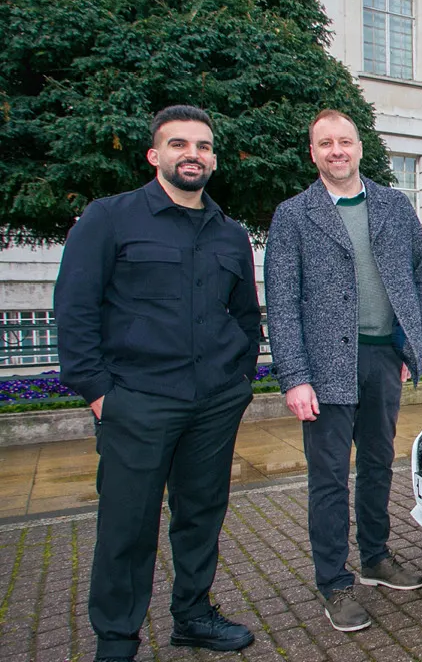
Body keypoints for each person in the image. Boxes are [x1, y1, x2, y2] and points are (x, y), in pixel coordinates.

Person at [55, 105, 262, 662]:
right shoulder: (110, 218)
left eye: (202, 146)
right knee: (127, 524)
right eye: (178, 144)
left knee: (200, 516)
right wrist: (100, 393)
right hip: (137, 402)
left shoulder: (229, 233)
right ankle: (117, 640)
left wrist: (239, 379)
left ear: (213, 158)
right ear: (155, 155)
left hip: (215, 403)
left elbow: (245, 316)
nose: (191, 154)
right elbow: (75, 311)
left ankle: (193, 616)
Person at [264, 109, 422, 631]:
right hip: (323, 367)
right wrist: (294, 376)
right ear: (313, 153)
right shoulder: (294, 214)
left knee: (380, 463)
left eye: (345, 142)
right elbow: (282, 299)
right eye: (325, 144)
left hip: (383, 358)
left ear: (360, 147)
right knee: (329, 478)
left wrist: (412, 340)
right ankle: (334, 583)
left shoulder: (393, 204)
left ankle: (376, 557)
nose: (336, 151)